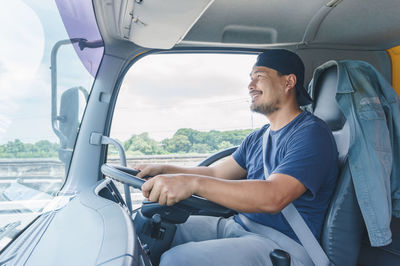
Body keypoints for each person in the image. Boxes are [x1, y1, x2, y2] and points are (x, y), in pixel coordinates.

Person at [135, 49, 339, 266]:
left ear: (288, 82)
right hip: (239, 225)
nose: (250, 86)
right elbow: (217, 172)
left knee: (177, 260)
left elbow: (274, 196)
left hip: (282, 245)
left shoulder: (311, 133)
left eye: (259, 77)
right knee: (152, 227)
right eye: (250, 78)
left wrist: (192, 183)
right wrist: (164, 170)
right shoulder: (257, 138)